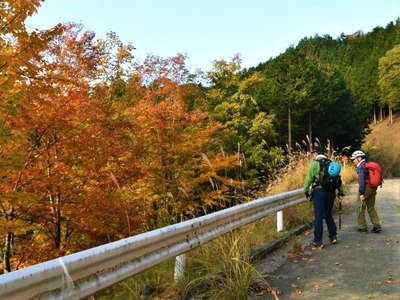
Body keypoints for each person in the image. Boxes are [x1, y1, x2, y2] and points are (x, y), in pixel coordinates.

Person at [304, 146, 344, 248]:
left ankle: (318, 241)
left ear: (316, 153)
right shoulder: (331, 163)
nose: (312, 155)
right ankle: (333, 236)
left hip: (319, 192)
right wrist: (341, 192)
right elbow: (338, 179)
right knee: (328, 214)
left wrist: (306, 191)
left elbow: (308, 179)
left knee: (318, 217)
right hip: (331, 192)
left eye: (313, 153)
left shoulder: (315, 164)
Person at [350, 150, 382, 233]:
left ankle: (362, 226)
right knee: (371, 207)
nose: (353, 161)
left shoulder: (361, 166)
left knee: (360, 206)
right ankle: (377, 225)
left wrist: (361, 193)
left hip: (366, 188)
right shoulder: (368, 165)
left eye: (354, 159)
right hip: (373, 187)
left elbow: (361, 181)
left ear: (359, 158)